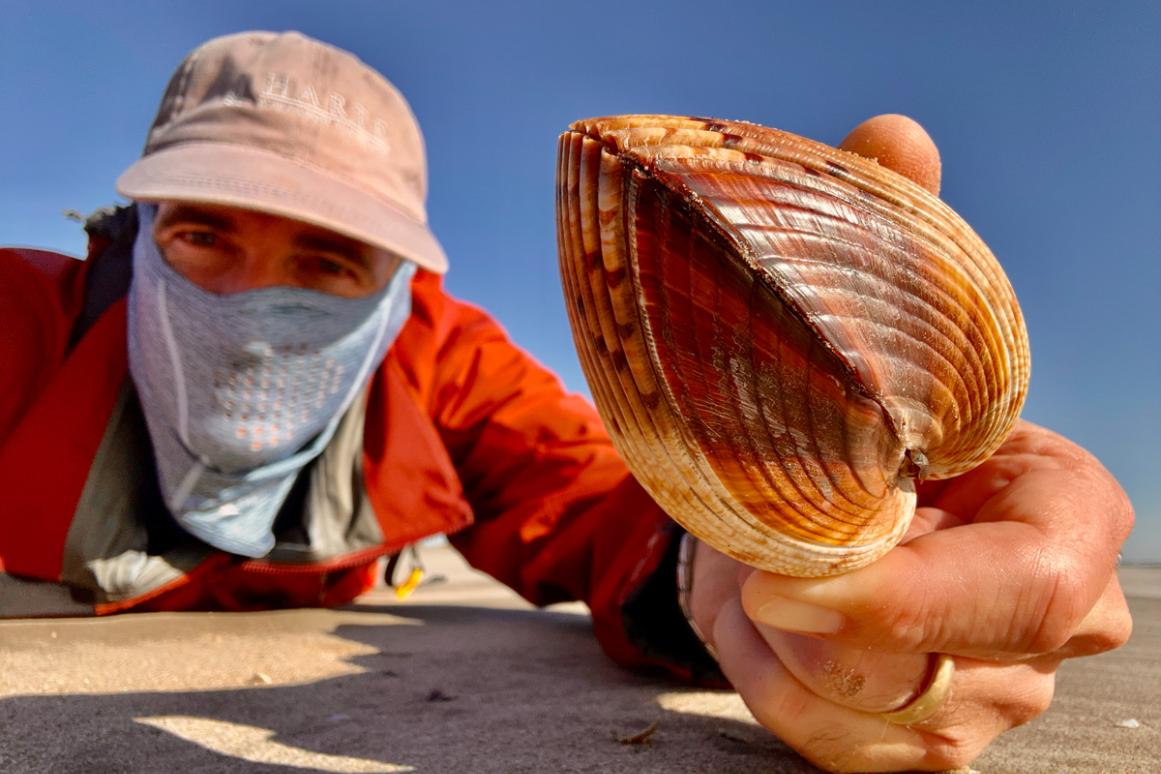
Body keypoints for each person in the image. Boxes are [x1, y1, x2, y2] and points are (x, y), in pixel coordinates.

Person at [0, 31, 1133, 773]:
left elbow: (596, 497)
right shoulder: (23, 324)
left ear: (396, 284)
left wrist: (741, 564)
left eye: (330, 259)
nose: (260, 301)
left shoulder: (438, 363)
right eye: (203, 235)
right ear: (134, 232)